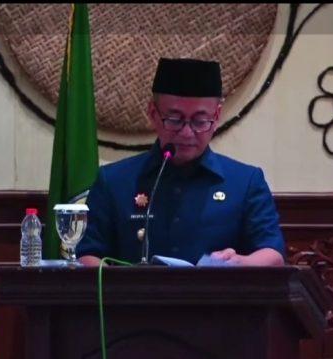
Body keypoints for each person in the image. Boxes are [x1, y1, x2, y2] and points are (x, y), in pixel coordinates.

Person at [76, 57, 285, 267]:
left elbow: (272, 253)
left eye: (199, 121)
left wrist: (239, 262)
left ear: (216, 116)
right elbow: (87, 254)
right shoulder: (114, 181)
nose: (186, 133)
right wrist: (118, 283)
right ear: (153, 114)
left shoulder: (246, 182)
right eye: (175, 120)